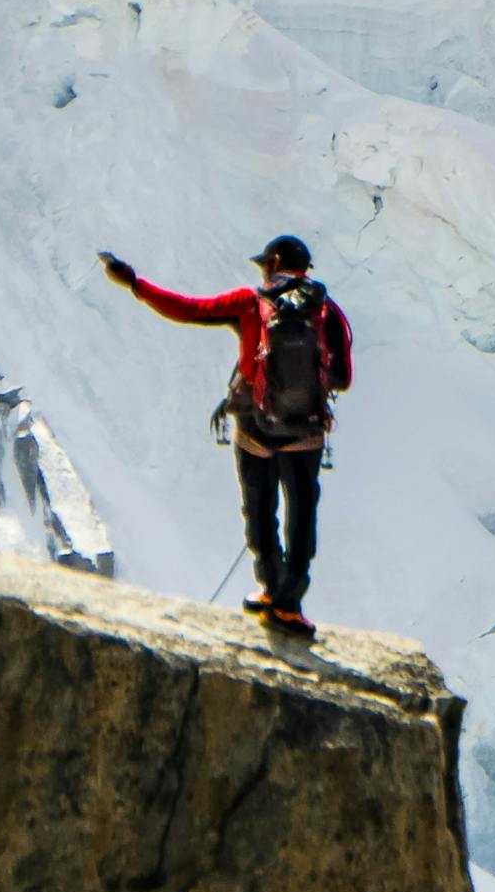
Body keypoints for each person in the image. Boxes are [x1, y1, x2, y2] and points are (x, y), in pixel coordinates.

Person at [103, 236, 354, 631]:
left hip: (253, 431)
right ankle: (288, 604)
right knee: (301, 516)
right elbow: (343, 377)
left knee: (259, 511)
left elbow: (187, 309)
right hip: (304, 435)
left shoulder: (249, 304)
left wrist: (135, 283)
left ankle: (270, 586)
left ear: (274, 261)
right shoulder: (329, 312)